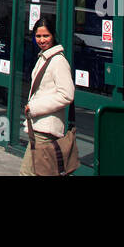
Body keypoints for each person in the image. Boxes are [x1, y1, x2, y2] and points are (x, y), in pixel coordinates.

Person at [21, 17, 74, 176]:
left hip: (46, 129)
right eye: (38, 36)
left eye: (46, 36)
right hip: (38, 126)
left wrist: (35, 107)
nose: (42, 40)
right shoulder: (43, 58)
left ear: (53, 36)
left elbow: (67, 94)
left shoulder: (58, 61)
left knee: (27, 173)